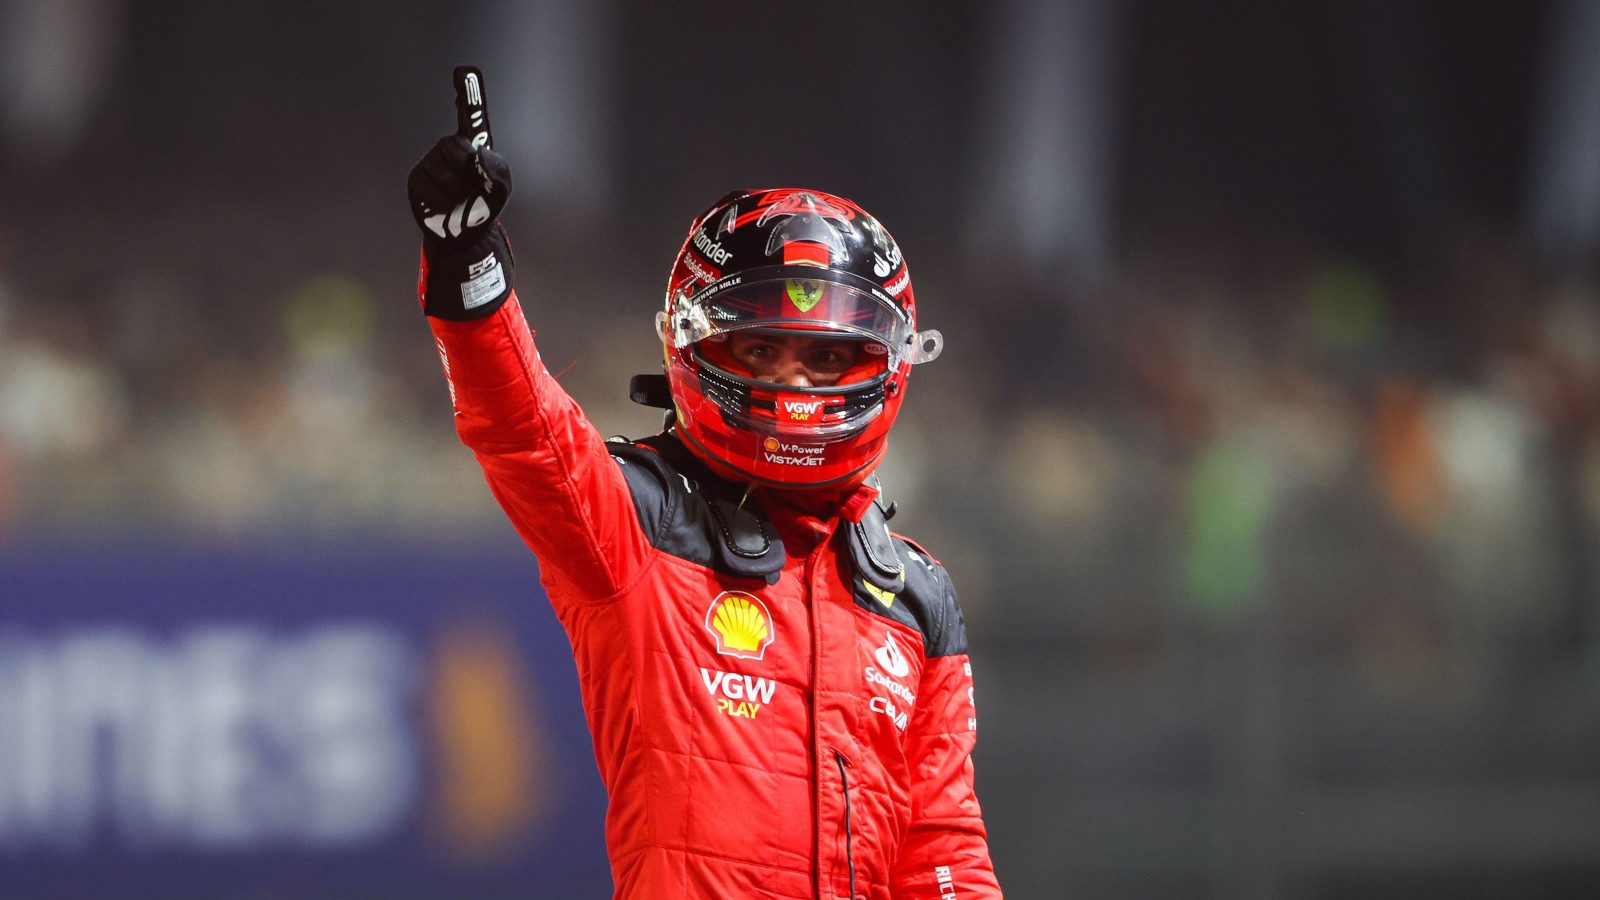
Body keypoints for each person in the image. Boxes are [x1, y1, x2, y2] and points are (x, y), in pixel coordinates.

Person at [407, 67, 1001, 899]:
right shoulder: (635, 519)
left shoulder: (914, 593)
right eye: (763, 348)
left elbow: (944, 849)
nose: (796, 382)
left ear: (890, 363)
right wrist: (469, 265)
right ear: (692, 343)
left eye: (828, 355)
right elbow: (523, 432)